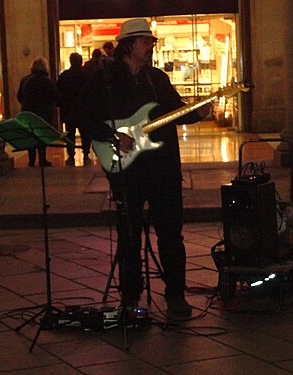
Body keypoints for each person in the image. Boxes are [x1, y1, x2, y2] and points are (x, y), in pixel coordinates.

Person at [71, 19, 210, 318]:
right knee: (130, 235)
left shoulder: (157, 79)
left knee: (172, 234)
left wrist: (196, 113)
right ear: (128, 44)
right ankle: (131, 296)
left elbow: (175, 114)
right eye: (146, 41)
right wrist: (111, 136)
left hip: (163, 167)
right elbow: (82, 113)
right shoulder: (105, 80)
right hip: (128, 170)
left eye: (152, 42)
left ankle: (176, 296)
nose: (150, 47)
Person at [17, 57, 60, 167]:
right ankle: (42, 158)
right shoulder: (47, 81)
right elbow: (55, 96)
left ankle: (31, 160)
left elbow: (19, 95)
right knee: (41, 134)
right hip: (43, 111)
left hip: (28, 111)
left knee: (31, 135)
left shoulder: (25, 79)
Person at [57, 52, 92, 165]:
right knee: (85, 133)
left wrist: (61, 105)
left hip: (69, 109)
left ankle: (71, 155)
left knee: (70, 134)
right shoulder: (87, 75)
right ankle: (86, 154)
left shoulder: (64, 76)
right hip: (84, 109)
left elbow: (59, 93)